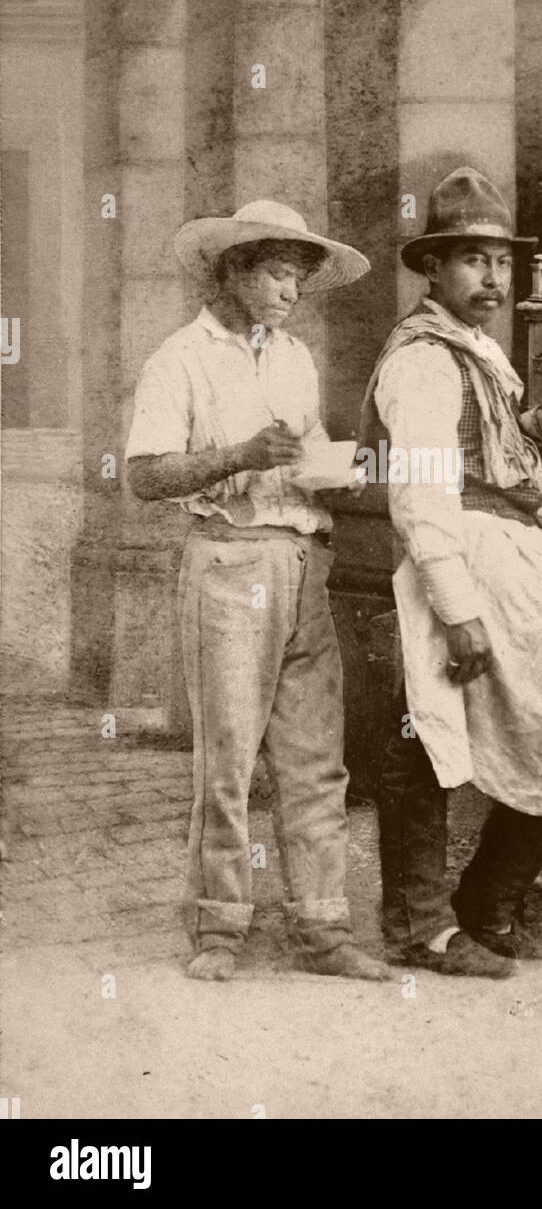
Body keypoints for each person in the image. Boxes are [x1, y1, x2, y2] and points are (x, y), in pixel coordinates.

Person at [127, 200, 389, 982]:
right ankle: (220, 929)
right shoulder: (179, 358)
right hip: (229, 561)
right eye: (277, 273)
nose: (290, 292)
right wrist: (237, 452)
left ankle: (323, 929)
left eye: (299, 279)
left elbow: (304, 458)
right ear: (235, 270)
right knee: (229, 759)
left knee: (316, 759)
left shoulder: (294, 358)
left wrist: (340, 470)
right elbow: (145, 475)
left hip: (304, 559)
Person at [360, 167, 542, 979]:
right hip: (459, 558)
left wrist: (523, 422)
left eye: (501, 261)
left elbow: (475, 443)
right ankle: (424, 928)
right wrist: (456, 606)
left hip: (509, 558)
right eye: (470, 260)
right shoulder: (424, 360)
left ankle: (483, 902)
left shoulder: (478, 353)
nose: (492, 277)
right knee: (427, 741)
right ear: (432, 269)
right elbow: (423, 490)